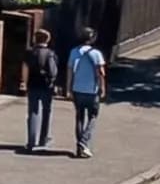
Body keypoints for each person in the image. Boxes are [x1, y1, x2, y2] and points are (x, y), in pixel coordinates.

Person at [67, 26, 108, 158]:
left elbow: (70, 71)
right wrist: (102, 88)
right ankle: (84, 142)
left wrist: (68, 88)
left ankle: (79, 146)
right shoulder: (96, 53)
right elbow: (101, 73)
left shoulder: (74, 52)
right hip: (92, 90)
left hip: (77, 89)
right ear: (92, 39)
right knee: (92, 117)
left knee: (79, 117)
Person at [23, 27, 58, 154]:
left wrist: (24, 84)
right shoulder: (50, 53)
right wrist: (53, 82)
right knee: (46, 111)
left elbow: (25, 69)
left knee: (33, 112)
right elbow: (53, 71)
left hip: (32, 85)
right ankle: (43, 139)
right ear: (47, 40)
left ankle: (31, 141)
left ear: (35, 39)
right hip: (46, 86)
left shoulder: (29, 53)